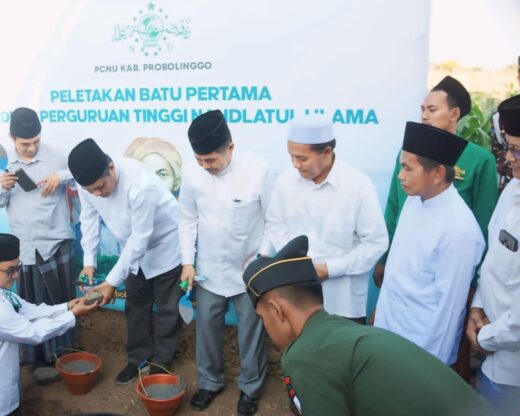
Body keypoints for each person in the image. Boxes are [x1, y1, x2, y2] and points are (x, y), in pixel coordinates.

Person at [243, 235, 493, 416]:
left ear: (277, 310)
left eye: (263, 318)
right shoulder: (342, 332)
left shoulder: (306, 354)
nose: (266, 328)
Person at [179, 110, 273, 415]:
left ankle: (251, 388)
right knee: (206, 327)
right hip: (207, 268)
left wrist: (262, 261)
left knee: (251, 332)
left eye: (211, 161)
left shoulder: (259, 171)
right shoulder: (193, 173)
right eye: (200, 160)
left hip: (249, 270)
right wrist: (187, 262)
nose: (205, 167)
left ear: (229, 148)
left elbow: (274, 221)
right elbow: (187, 218)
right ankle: (210, 381)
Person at [68, 138, 183, 385]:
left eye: (101, 187)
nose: (98, 194)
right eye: (92, 191)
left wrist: (110, 282)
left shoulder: (140, 185)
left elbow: (140, 239)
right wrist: (89, 261)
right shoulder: (87, 184)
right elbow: (88, 217)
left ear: (111, 167)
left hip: (164, 246)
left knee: (167, 309)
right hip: (131, 251)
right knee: (136, 305)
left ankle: (160, 362)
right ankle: (138, 356)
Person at [374, 122, 485, 365]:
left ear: (437, 174)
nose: (399, 176)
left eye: (407, 169)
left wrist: (430, 368)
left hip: (420, 351)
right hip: (388, 334)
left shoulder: (460, 231)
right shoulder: (414, 200)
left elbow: (449, 312)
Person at [0, 233, 98, 416]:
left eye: (18, 267)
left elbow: (30, 311)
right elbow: (32, 333)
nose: (17, 275)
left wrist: (68, 306)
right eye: (10, 270)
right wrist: (74, 314)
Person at [261, 115, 388, 323]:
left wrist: (330, 269)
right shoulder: (285, 181)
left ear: (327, 152)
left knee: (343, 355)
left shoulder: (358, 186)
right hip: (297, 301)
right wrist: (295, 261)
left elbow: (376, 243)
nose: (295, 164)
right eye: (291, 157)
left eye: (302, 158)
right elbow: (275, 224)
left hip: (343, 304)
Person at [376, 75, 498, 286]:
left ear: (454, 113)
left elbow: (484, 224)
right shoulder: (408, 154)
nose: (424, 116)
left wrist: (475, 283)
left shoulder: (480, 160)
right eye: (422, 110)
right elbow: (394, 206)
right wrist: (384, 258)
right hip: (403, 258)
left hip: (447, 267)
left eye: (432, 110)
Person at [0, 107, 77, 364]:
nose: (32, 148)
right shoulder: (0, 164)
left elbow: (84, 173)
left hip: (56, 241)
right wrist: (3, 188)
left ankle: (65, 355)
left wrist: (63, 176)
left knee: (61, 300)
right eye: (25, 144)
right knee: (31, 302)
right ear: (12, 137)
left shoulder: (57, 156)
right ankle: (37, 359)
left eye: (36, 142)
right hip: (25, 245)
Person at [466, 94, 520, 415]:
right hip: (492, 350)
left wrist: (484, 338)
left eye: (516, 149)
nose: (509, 157)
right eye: (510, 147)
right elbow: (494, 258)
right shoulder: (513, 187)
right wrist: (478, 305)